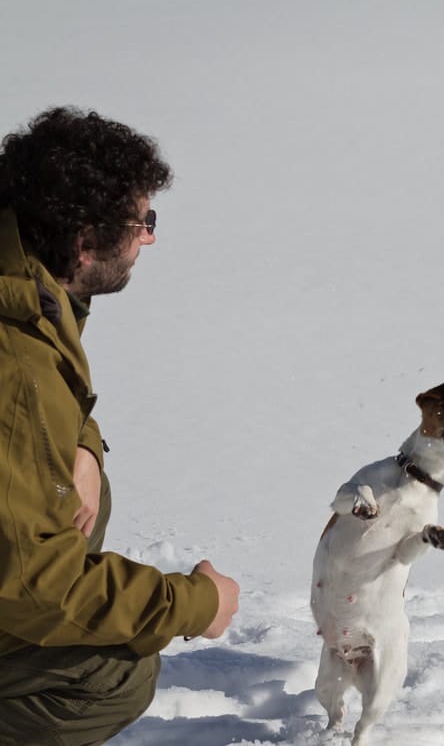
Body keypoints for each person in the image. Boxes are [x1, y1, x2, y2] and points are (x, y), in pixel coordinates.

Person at [0, 107, 240, 745]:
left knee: (82, 498)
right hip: (21, 584)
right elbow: (36, 587)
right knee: (114, 675)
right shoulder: (15, 361)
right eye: (142, 224)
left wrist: (82, 445)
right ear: (84, 240)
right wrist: (196, 605)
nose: (150, 239)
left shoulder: (26, 281)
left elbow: (44, 410)